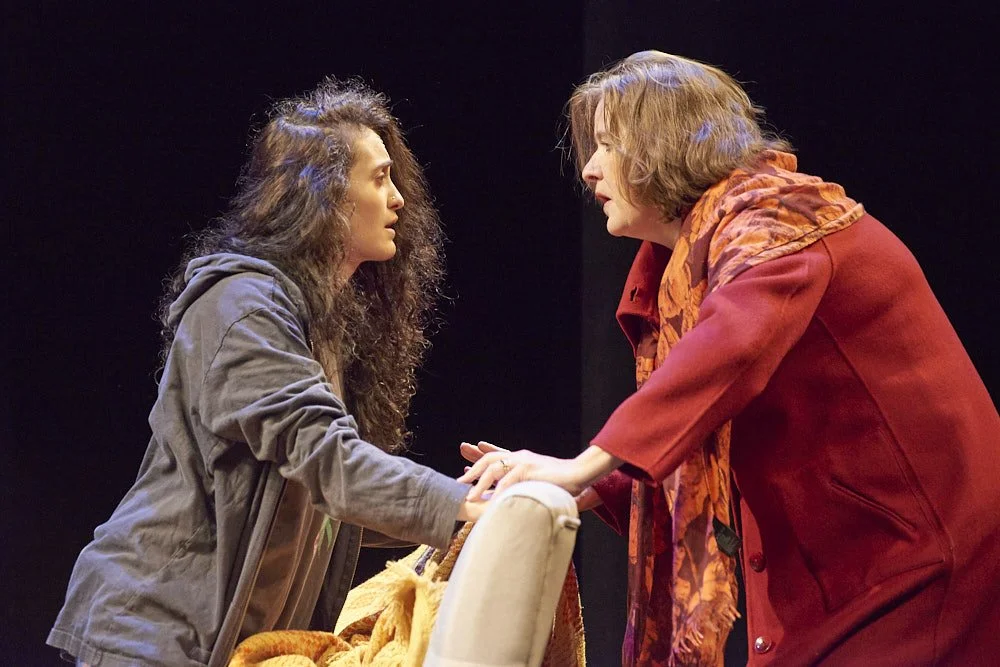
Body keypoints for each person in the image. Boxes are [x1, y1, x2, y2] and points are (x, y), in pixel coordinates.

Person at [460, 51, 1000, 665]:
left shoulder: (779, 220)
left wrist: (581, 467)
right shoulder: (690, 263)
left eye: (607, 144)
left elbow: (727, 351)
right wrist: (587, 485)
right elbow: (703, 416)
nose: (588, 170)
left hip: (918, 570)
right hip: (843, 574)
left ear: (661, 143)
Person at [48, 78, 485, 667]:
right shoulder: (243, 309)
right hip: (153, 637)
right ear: (324, 197)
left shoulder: (318, 322)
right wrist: (462, 504)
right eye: (379, 178)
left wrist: (469, 500)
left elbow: (326, 502)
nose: (399, 198)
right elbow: (329, 462)